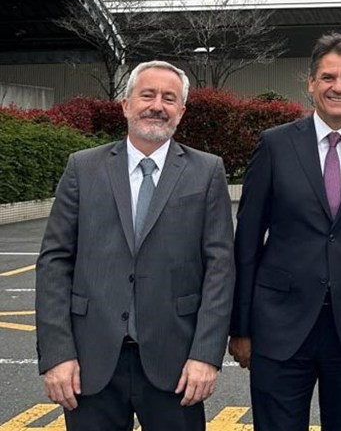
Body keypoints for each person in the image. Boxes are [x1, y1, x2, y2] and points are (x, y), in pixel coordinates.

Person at [35, 61, 235, 431]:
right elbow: (54, 263)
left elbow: (220, 269)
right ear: (125, 104)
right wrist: (57, 355)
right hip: (89, 365)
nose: (157, 105)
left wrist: (206, 356)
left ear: (181, 111)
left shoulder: (207, 172)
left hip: (176, 365)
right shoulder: (83, 168)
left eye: (169, 98)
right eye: (147, 94)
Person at [229, 33, 341, 431]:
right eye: (328, 77)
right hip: (278, 324)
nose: (338, 87)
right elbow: (246, 241)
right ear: (310, 82)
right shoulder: (275, 145)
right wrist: (240, 325)